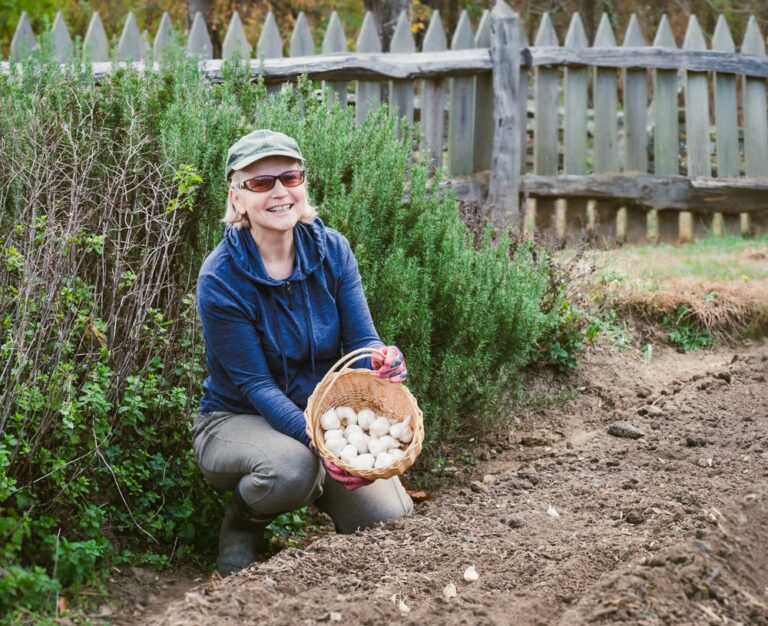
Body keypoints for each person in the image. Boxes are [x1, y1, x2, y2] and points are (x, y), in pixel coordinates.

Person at [192, 129, 414, 575]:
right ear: (237, 198)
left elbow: (362, 341)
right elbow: (256, 385)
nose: (279, 191)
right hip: (238, 418)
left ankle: (320, 481)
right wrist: (327, 445)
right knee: (292, 467)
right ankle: (243, 524)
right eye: (260, 182)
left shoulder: (333, 250)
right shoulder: (220, 278)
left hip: (325, 419)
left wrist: (382, 360)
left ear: (303, 185)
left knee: (389, 520)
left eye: (290, 177)